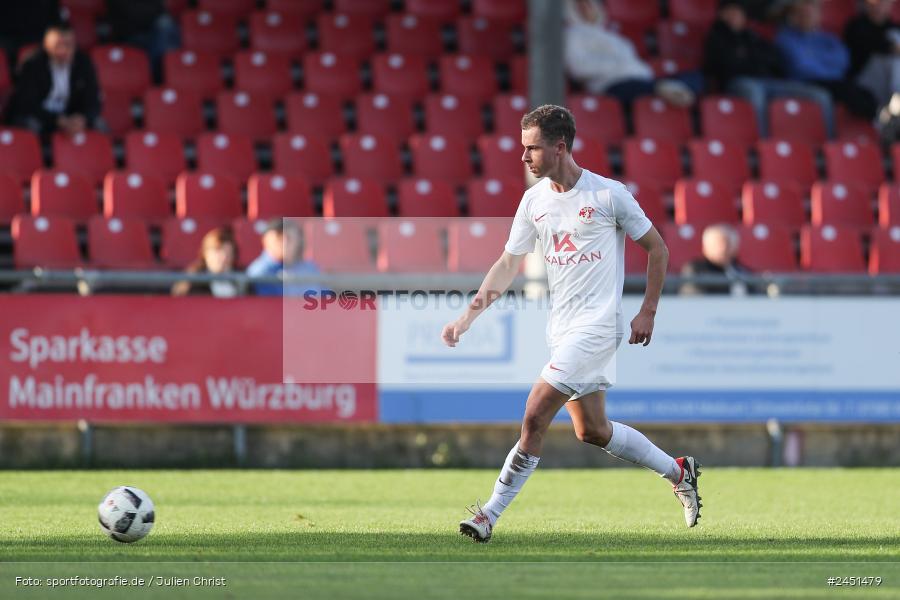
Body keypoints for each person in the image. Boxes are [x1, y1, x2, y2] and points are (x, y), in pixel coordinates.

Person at [444, 105, 701, 543]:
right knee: (593, 431)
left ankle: (488, 514)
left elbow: (657, 249)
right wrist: (469, 314)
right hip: (561, 329)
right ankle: (679, 471)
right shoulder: (535, 200)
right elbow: (509, 262)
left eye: (532, 148)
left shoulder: (608, 195)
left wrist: (648, 310)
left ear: (559, 147)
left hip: (599, 327)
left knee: (534, 414)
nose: (524, 158)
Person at [704, 0, 836, 137]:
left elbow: (773, 59)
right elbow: (724, 66)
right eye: (729, 12)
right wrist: (751, 62)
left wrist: (748, 59)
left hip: (767, 81)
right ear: (721, 15)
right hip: (737, 82)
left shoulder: (751, 36)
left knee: (820, 95)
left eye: (737, 12)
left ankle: (829, 145)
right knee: (754, 92)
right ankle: (763, 142)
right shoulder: (716, 37)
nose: (734, 16)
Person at [564, 0, 702, 108]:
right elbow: (578, 68)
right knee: (640, 88)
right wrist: (618, 65)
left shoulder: (612, 35)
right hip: (612, 85)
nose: (587, 9)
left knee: (696, 77)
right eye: (581, 5)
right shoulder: (572, 35)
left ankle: (672, 88)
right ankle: (667, 88)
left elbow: (634, 63)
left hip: (640, 78)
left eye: (590, 4)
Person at [775, 0, 878, 121]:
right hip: (805, 84)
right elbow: (800, 67)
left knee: (867, 94)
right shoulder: (785, 38)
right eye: (803, 13)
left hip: (833, 82)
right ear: (794, 16)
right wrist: (827, 67)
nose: (808, 17)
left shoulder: (828, 38)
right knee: (848, 94)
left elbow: (842, 61)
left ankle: (872, 131)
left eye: (811, 13)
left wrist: (814, 59)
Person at [6, 21, 101, 137]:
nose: (63, 50)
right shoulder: (32, 64)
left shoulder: (84, 63)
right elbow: (27, 104)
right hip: (41, 117)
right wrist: (59, 121)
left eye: (68, 45)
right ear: (46, 44)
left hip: (70, 116)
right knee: (29, 127)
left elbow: (93, 99)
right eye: (58, 45)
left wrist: (82, 118)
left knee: (99, 126)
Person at [844, 0, 900, 110]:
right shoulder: (856, 25)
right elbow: (876, 43)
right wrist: (893, 48)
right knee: (893, 61)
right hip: (862, 83)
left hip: (888, 84)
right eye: (874, 2)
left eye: (883, 2)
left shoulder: (894, 27)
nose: (878, 6)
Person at [106, 0, 180, 83]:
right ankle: (156, 77)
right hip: (128, 35)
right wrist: (152, 14)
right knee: (164, 25)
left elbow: (160, 9)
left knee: (166, 25)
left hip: (151, 32)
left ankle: (166, 75)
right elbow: (131, 13)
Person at [246, 218, 322, 296]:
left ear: (299, 240)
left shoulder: (310, 267)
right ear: (265, 241)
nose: (284, 243)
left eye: (289, 238)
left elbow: (325, 298)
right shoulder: (259, 271)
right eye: (279, 238)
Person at [679, 224, 750, 296]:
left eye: (728, 244)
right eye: (719, 244)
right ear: (705, 247)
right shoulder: (695, 269)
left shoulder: (741, 270)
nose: (723, 249)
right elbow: (697, 295)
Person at [172, 227, 240, 298]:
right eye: (218, 251)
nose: (224, 257)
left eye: (228, 253)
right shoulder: (192, 281)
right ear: (205, 253)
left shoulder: (242, 281)